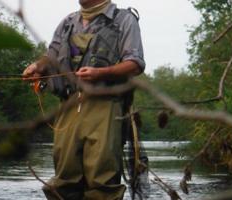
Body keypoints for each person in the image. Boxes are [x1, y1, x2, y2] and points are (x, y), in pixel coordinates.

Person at [23, 0, 145, 199]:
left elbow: (136, 64)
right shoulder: (68, 22)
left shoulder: (125, 19)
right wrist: (37, 67)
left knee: (102, 181)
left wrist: (101, 73)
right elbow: (51, 57)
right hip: (68, 105)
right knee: (64, 180)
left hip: (105, 106)